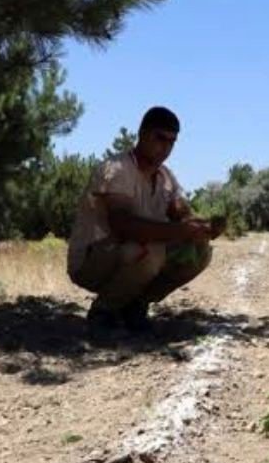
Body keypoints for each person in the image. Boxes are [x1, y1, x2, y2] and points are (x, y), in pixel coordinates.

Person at [67, 106, 223, 333]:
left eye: (172, 142)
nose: (166, 147)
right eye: (160, 138)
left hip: (129, 254)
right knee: (149, 251)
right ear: (142, 134)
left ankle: (135, 305)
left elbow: (181, 213)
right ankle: (104, 310)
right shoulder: (117, 169)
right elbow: (122, 225)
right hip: (93, 259)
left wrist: (203, 229)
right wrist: (182, 230)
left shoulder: (165, 177)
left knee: (200, 253)